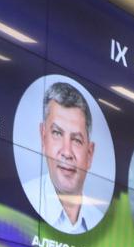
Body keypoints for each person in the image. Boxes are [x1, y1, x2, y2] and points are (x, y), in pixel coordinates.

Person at [27, 80, 108, 233]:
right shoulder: (25, 201)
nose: (67, 152)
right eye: (57, 133)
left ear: (89, 154)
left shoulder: (100, 221)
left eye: (76, 140)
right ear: (43, 138)